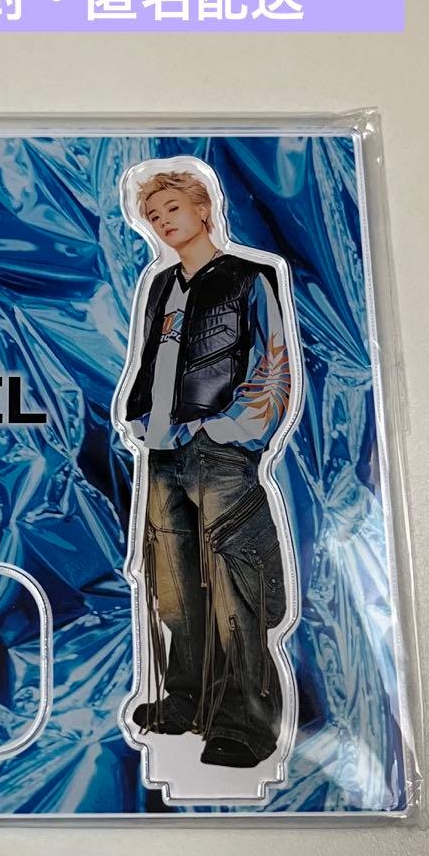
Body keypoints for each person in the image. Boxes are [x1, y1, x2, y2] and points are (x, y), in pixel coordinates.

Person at [123, 168, 293, 767]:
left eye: (172, 207)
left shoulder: (247, 278)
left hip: (220, 451)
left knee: (234, 591)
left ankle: (244, 724)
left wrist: (229, 430)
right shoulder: (161, 286)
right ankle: (187, 700)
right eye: (153, 216)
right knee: (173, 591)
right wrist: (142, 422)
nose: (163, 221)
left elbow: (273, 362)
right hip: (162, 452)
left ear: (203, 207)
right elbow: (152, 362)